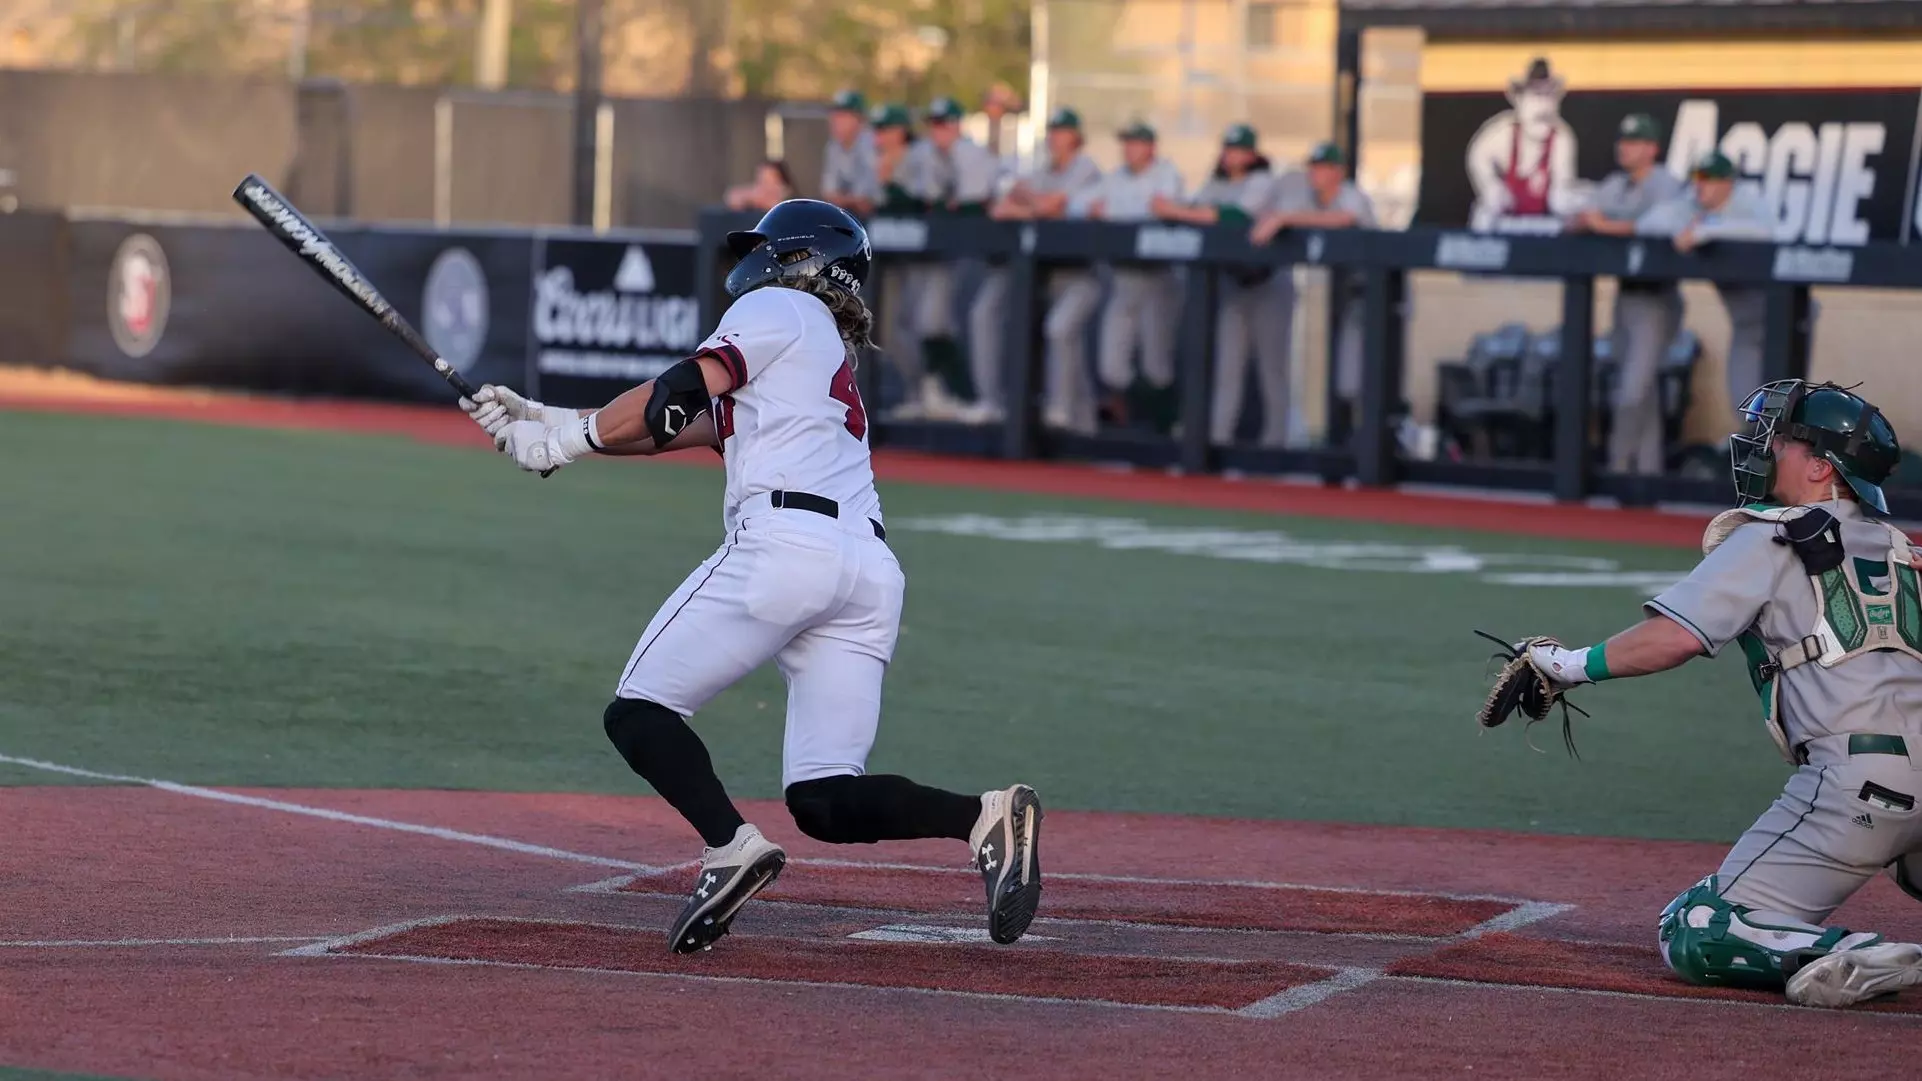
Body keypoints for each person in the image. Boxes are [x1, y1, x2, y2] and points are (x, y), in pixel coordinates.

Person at [456, 199, 1045, 955]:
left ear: (797, 259)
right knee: (826, 797)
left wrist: (563, 443)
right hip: (866, 571)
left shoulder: (778, 306)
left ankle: (730, 845)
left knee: (639, 711)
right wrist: (541, 416)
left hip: (785, 546)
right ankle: (983, 816)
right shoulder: (819, 342)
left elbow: (678, 391)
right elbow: (677, 427)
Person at [1507, 380, 1922, 1009]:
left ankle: (1847, 953)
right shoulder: (1903, 553)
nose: (1759, 445)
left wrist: (1566, 665)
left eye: (1777, 437)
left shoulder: (1773, 536)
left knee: (1700, 926)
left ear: (1818, 466)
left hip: (1858, 784)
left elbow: (1674, 638)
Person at [963, 106, 1104, 428]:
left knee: (1061, 331)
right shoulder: (1044, 168)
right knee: (1064, 340)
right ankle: (1079, 421)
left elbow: (1050, 205)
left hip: (1080, 272)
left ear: (1076, 137)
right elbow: (1004, 206)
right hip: (1043, 273)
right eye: (1052, 131)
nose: (1055, 137)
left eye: (1062, 131)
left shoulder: (1086, 167)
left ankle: (1066, 412)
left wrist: (1029, 203)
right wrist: (1030, 203)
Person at [1153, 123, 1289, 447]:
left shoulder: (1263, 181)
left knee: (1272, 368)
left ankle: (1276, 445)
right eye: (1229, 149)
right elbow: (1194, 207)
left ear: (1253, 154)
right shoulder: (1216, 183)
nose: (1232, 155)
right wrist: (1180, 210)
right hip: (1233, 283)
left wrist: (1176, 211)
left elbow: (1234, 217)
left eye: (1240, 150)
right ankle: (1217, 440)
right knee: (1227, 366)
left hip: (1269, 282)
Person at [1567, 113, 1686, 476]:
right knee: (1641, 393)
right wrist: (1596, 223)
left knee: (1634, 390)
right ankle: (1647, 476)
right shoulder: (1615, 185)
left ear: (1652, 148)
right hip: (1625, 297)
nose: (1625, 147)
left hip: (1658, 298)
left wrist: (1605, 225)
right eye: (1623, 141)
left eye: (1634, 142)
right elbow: (1579, 220)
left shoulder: (1667, 183)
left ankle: (1617, 465)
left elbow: (1660, 225)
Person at [1251, 142, 1377, 446]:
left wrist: (1286, 219)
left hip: (1379, 295)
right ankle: (1351, 446)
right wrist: (1279, 215)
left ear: (1339, 172)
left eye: (1323, 168)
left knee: (1364, 380)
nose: (1316, 173)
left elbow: (1343, 219)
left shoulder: (1351, 194)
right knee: (1348, 382)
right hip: (1348, 297)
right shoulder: (1307, 197)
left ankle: (1375, 445)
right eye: (1313, 167)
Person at [1636, 150, 1776, 422]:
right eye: (1697, 178)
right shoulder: (1692, 206)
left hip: (1785, 322)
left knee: (1783, 414)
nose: (1700, 185)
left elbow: (1764, 232)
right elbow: (1647, 224)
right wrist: (1681, 228)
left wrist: (1706, 230)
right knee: (1747, 410)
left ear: (1727, 183)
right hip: (1747, 327)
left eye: (1708, 179)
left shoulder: (1745, 203)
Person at [903, 95, 1000, 420]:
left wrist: (945, 206)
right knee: (928, 322)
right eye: (935, 125)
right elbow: (928, 201)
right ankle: (946, 392)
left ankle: (966, 395)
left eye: (945, 125)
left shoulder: (971, 153)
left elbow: (971, 204)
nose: (939, 132)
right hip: (943, 249)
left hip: (982, 252)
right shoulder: (927, 155)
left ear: (957, 126)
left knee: (948, 320)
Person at [1085, 121, 1185, 430]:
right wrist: (1108, 209)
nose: (1129, 148)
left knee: (1157, 365)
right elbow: (1084, 205)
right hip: (1124, 276)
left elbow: (1156, 210)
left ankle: (1167, 433)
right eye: (1126, 142)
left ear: (1151, 147)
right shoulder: (1115, 177)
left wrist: (1112, 212)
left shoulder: (1167, 174)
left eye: (1136, 143)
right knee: (1111, 366)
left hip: (1158, 277)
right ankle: (1141, 422)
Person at [820, 89, 877, 217]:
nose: (835, 120)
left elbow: (868, 201)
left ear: (859, 119)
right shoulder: (833, 147)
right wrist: (852, 200)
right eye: (834, 115)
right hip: (847, 215)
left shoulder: (873, 143)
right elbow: (829, 194)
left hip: (883, 219)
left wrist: (845, 198)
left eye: (842, 115)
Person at [723, 159, 796, 213]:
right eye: (760, 179)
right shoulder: (754, 196)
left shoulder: (789, 200)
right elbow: (732, 196)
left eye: (767, 180)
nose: (763, 185)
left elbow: (774, 204)